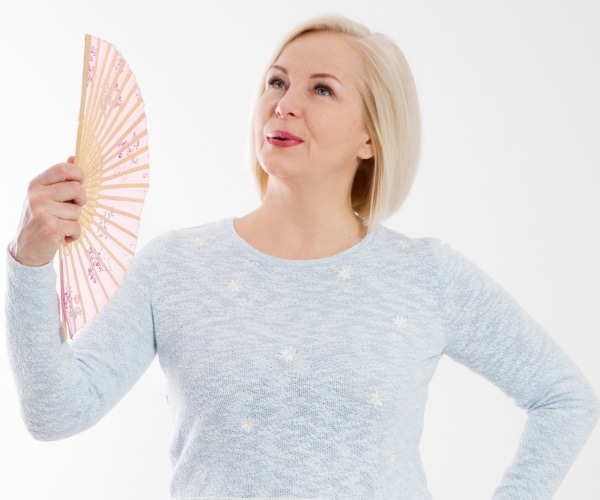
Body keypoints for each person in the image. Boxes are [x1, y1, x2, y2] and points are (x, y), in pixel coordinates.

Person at [6, 14, 598, 500]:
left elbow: (564, 398)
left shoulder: (425, 276)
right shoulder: (176, 267)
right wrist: (29, 261)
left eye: (321, 89)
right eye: (276, 82)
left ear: (371, 136)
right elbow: (55, 413)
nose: (285, 104)